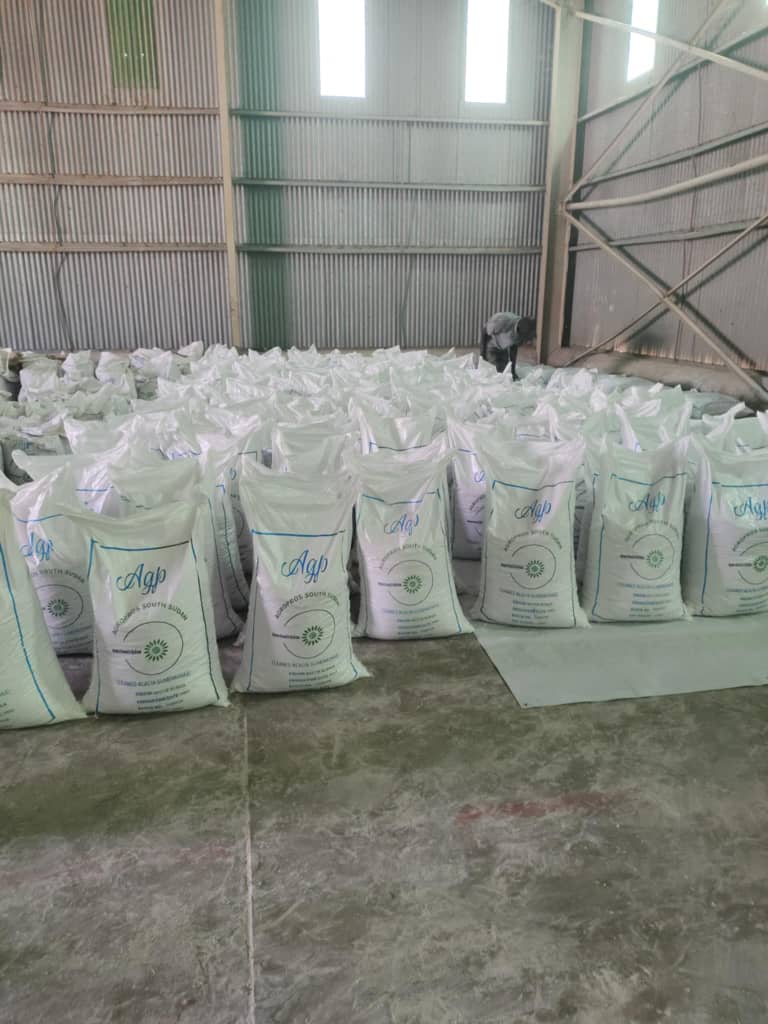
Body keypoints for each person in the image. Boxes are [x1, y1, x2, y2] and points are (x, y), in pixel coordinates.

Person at [480, 312, 536, 380]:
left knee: (506, 373)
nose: (526, 342)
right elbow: (484, 331)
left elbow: (513, 349)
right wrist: (482, 356)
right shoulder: (502, 322)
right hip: (491, 347)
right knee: (496, 374)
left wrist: (513, 372)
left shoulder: (522, 330)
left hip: (503, 348)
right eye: (526, 339)